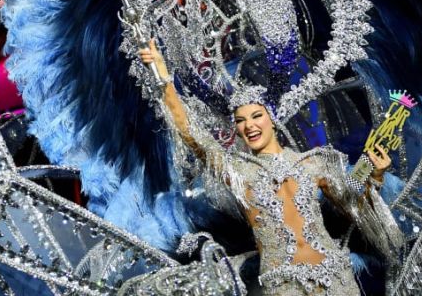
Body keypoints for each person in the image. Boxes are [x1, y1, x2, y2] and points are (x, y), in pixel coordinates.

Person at [139, 40, 404, 295]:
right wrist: (164, 80)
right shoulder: (238, 171)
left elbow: (351, 201)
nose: (249, 125)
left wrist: (375, 173)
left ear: (272, 119)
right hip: (283, 285)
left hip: (335, 277)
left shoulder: (312, 162)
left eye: (256, 116)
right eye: (241, 121)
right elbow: (190, 133)